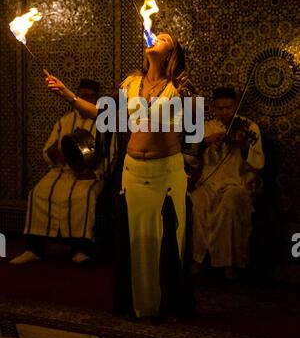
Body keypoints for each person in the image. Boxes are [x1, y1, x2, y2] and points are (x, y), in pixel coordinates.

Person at [42, 33, 195, 319]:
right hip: (133, 171)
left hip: (166, 174)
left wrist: (184, 138)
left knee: (167, 241)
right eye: (155, 34)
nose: (155, 37)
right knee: (136, 241)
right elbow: (102, 113)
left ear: (172, 53)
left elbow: (192, 130)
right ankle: (137, 306)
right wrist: (67, 94)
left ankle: (170, 305)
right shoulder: (131, 84)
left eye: (164, 38)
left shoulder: (180, 87)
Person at [10, 78, 116, 265]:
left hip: (90, 174)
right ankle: (34, 248)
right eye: (83, 95)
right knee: (39, 193)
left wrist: (96, 173)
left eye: (91, 97)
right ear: (77, 95)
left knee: (83, 196)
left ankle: (81, 250)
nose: (87, 99)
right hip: (63, 170)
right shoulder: (64, 122)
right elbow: (48, 149)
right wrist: (55, 155)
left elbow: (111, 156)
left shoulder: (103, 123)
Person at [190, 87, 265, 278]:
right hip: (210, 184)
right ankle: (198, 259)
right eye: (220, 108)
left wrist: (244, 147)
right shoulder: (207, 128)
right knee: (196, 203)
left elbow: (259, 163)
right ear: (214, 108)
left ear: (235, 105)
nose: (225, 112)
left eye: (229, 107)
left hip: (237, 183)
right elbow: (190, 158)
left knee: (229, 204)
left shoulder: (249, 127)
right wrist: (206, 142)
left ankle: (230, 262)